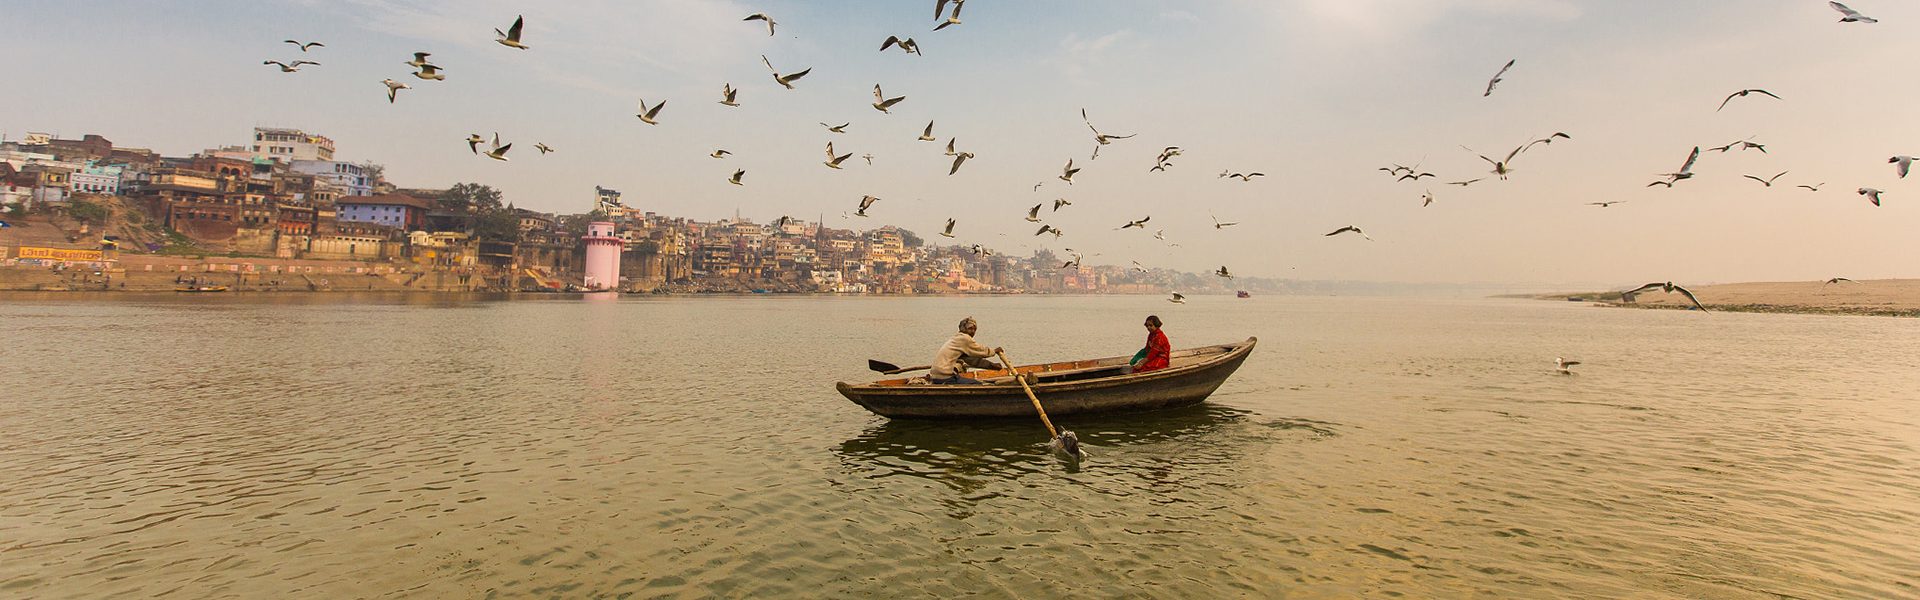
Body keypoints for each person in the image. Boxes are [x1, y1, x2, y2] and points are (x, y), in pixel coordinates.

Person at [929, 317, 1002, 384]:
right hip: (944, 377)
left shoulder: (957, 338)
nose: (973, 331)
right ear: (963, 329)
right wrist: (994, 351)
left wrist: (991, 366)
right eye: (970, 329)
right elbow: (981, 351)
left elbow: (972, 360)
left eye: (974, 329)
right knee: (977, 384)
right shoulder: (964, 338)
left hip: (935, 376)